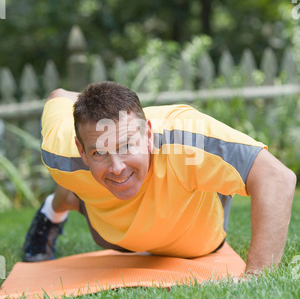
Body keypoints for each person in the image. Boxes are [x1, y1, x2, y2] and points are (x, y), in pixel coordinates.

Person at [22, 81, 296, 275]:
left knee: (91, 177)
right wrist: (96, 103)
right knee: (74, 184)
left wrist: (257, 275)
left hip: (195, 239)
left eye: (127, 145)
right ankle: (50, 214)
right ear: (82, 149)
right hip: (112, 234)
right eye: (99, 152)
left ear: (149, 134)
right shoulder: (60, 153)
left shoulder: (188, 139)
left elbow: (277, 178)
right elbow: (59, 94)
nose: (117, 166)